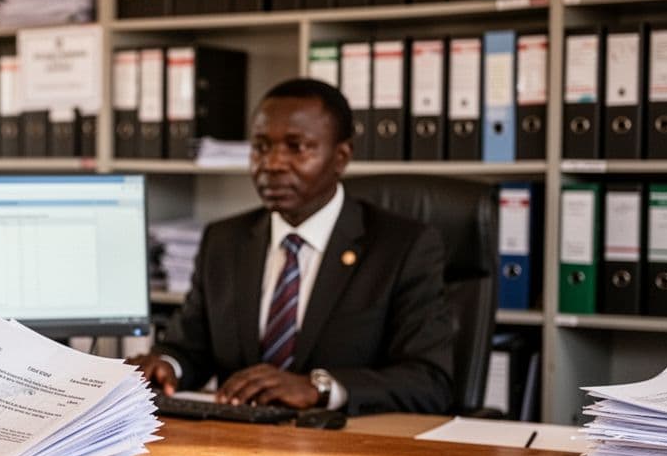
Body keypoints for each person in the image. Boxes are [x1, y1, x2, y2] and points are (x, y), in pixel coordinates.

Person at [129, 78, 454, 415]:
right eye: (261, 147)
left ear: (341, 157)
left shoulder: (402, 246)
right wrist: (167, 364)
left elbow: (429, 381)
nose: (272, 164)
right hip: (239, 441)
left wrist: (319, 388)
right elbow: (190, 348)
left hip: (349, 446)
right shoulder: (224, 241)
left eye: (296, 147)